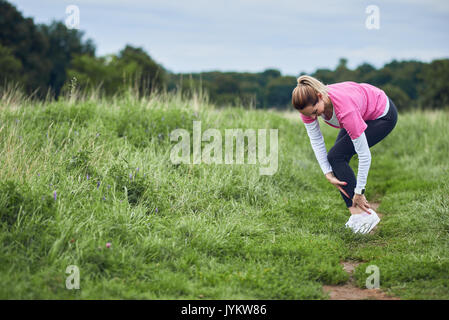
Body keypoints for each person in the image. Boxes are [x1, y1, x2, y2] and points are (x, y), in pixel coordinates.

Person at [291, 75, 398, 233]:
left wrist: (359, 191)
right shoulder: (307, 109)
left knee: (336, 156)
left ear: (320, 97)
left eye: (315, 112)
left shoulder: (345, 109)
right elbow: (316, 139)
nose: (314, 117)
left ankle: (366, 215)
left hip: (382, 114)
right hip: (361, 110)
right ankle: (357, 215)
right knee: (335, 159)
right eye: (309, 115)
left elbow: (364, 155)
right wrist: (327, 173)